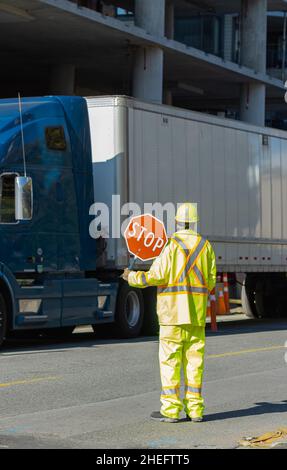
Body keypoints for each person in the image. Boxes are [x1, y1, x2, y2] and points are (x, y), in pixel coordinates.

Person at [122, 203, 216, 423]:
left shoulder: (170, 246)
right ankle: (195, 411)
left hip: (172, 315)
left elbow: (155, 276)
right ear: (195, 220)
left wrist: (131, 277)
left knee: (170, 363)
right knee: (195, 364)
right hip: (196, 316)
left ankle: (171, 411)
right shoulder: (206, 247)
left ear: (176, 221)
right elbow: (210, 282)